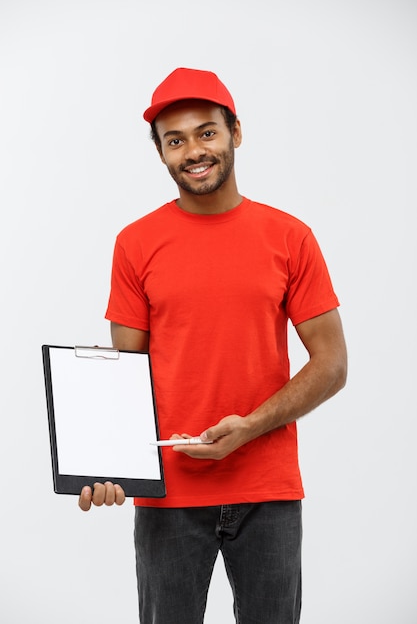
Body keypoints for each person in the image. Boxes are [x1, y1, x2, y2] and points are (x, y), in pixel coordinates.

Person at [78, 67, 347, 623]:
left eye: (207, 132)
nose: (193, 151)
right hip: (168, 497)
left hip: (268, 492)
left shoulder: (289, 237)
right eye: (175, 141)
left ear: (235, 133)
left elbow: (332, 363)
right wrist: (105, 467)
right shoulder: (135, 243)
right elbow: (122, 379)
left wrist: (249, 427)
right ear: (161, 153)